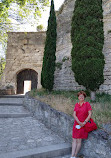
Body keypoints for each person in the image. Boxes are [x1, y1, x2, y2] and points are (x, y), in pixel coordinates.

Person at [71, 91, 92, 158]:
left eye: (82, 96)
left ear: (84, 97)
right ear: (78, 97)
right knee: (74, 139)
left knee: (79, 140)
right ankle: (72, 156)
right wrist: (78, 122)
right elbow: (74, 114)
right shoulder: (76, 104)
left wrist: (84, 122)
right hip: (76, 124)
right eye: (80, 96)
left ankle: (75, 155)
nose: (81, 97)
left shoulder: (87, 104)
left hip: (83, 124)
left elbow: (90, 114)